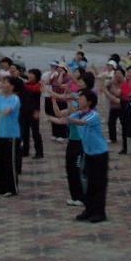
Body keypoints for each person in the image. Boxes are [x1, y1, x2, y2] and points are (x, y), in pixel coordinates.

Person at [48, 90, 109, 222]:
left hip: (100, 154)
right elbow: (62, 120)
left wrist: (67, 117)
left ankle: (100, 213)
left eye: (81, 99)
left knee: (98, 184)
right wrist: (48, 117)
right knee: (88, 183)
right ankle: (89, 210)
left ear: (89, 102)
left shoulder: (94, 115)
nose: (78, 101)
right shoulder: (78, 113)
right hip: (88, 153)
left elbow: (81, 122)